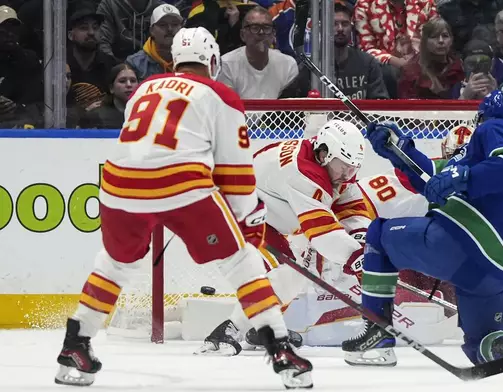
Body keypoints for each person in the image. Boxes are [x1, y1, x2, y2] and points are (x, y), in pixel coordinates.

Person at [54, 27, 312, 390]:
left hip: (116, 183)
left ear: (174, 61)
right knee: (241, 262)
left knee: (114, 264)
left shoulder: (143, 88)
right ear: (212, 60)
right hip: (180, 181)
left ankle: (75, 345)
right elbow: (235, 175)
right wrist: (247, 224)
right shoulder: (221, 93)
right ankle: (281, 349)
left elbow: (141, 146)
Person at [341, 90, 503, 370]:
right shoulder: (472, 159)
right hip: (491, 273)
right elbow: (430, 179)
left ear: (480, 118)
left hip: (457, 243)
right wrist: (398, 149)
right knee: (481, 345)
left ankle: (378, 337)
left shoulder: (495, 129)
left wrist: (460, 175)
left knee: (378, 234)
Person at [195, 119, 371, 356]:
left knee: (297, 272)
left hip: (262, 211)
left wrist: (363, 244)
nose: (348, 175)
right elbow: (323, 235)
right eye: (344, 167)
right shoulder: (304, 174)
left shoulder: (331, 166)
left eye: (353, 168)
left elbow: (351, 208)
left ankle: (261, 328)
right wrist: (357, 258)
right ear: (325, 154)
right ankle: (229, 330)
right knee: (287, 271)